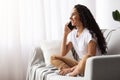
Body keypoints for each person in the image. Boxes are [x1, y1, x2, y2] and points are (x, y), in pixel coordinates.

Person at [50, 4, 107, 77]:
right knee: (53, 57)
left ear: (81, 16)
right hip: (80, 64)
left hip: (91, 66)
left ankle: (71, 72)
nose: (70, 18)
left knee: (87, 57)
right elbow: (63, 53)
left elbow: (90, 59)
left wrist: (70, 69)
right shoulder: (73, 34)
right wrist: (65, 34)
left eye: (73, 15)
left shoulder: (89, 34)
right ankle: (72, 71)